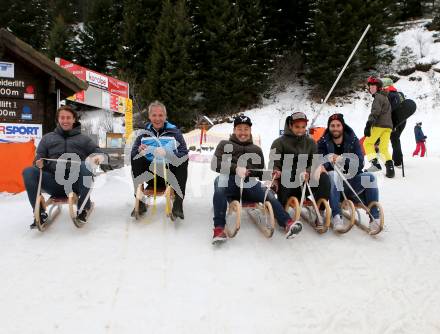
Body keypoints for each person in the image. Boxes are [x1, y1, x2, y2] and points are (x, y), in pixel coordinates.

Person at [211, 115, 302, 243]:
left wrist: (271, 174)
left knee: (268, 194)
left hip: (249, 184)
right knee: (219, 182)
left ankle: (287, 222)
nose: (243, 132)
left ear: (250, 130)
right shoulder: (224, 144)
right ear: (234, 130)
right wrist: (235, 168)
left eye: (246, 129)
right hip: (230, 181)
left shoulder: (256, 150)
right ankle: (219, 228)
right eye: (239, 129)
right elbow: (215, 164)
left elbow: (261, 173)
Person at [22, 105, 104, 228]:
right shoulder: (47, 138)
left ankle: (83, 207)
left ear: (74, 119)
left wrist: (96, 158)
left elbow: (100, 153)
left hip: (76, 183)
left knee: (85, 165)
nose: (65, 121)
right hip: (53, 182)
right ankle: (39, 213)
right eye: (62, 118)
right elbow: (38, 159)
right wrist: (38, 163)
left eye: (68, 118)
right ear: (58, 119)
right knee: (28, 171)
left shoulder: (84, 139)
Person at [317, 114, 382, 233]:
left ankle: (374, 217)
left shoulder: (352, 140)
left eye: (338, 125)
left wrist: (342, 159)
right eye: (332, 126)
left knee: (370, 177)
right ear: (329, 127)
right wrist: (326, 162)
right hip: (334, 187)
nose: (335, 128)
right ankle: (337, 216)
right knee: (333, 175)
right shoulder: (323, 141)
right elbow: (318, 159)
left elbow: (360, 162)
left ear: (343, 126)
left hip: (351, 182)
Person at [269, 112, 331, 228]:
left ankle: (320, 211)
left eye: (303, 127)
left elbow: (314, 161)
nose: (300, 130)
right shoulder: (279, 142)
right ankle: (282, 213)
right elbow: (274, 162)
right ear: (290, 126)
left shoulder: (310, 142)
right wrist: (276, 170)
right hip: (287, 184)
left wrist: (308, 171)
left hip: (305, 183)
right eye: (297, 127)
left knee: (324, 177)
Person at [130, 101, 189, 219]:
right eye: (154, 115)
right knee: (136, 158)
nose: (157, 118)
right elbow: (132, 154)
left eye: (161, 115)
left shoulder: (174, 133)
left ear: (165, 116)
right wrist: (139, 151)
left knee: (183, 161)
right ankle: (140, 200)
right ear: (149, 116)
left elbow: (184, 154)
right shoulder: (143, 134)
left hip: (169, 176)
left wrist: (168, 153)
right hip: (151, 176)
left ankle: (178, 202)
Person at [363, 76, 395, 178]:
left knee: (367, 143)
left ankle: (375, 164)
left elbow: (375, 111)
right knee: (383, 147)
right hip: (388, 126)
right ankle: (390, 168)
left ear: (378, 87)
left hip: (379, 125)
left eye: (373, 86)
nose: (371, 88)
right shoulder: (385, 97)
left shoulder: (378, 97)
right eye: (370, 86)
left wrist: (369, 124)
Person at [382, 77, 406, 168]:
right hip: (403, 120)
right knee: (396, 139)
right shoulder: (399, 93)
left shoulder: (388, 94)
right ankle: (397, 158)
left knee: (394, 139)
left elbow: (389, 109)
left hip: (394, 120)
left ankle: (397, 161)